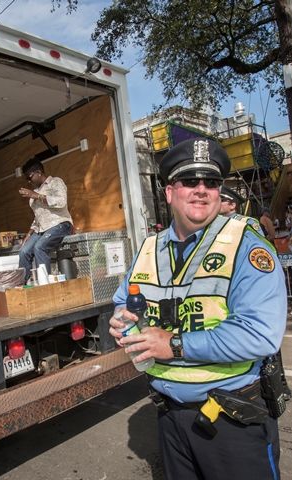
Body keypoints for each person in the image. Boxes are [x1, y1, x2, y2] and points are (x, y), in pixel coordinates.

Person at [109, 138, 286, 479]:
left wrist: (173, 345)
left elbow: (260, 334)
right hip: (169, 417)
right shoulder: (149, 247)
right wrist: (120, 320)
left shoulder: (246, 245)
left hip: (232, 420)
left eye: (212, 182)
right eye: (190, 181)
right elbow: (123, 301)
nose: (202, 189)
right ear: (170, 193)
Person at [18, 158, 73, 283]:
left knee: (39, 247)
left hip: (60, 224)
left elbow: (61, 201)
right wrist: (29, 233)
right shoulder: (35, 191)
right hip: (42, 229)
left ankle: (44, 284)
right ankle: (21, 285)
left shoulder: (55, 182)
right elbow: (38, 216)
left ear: (38, 172)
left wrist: (36, 196)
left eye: (29, 177)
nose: (28, 181)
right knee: (24, 251)